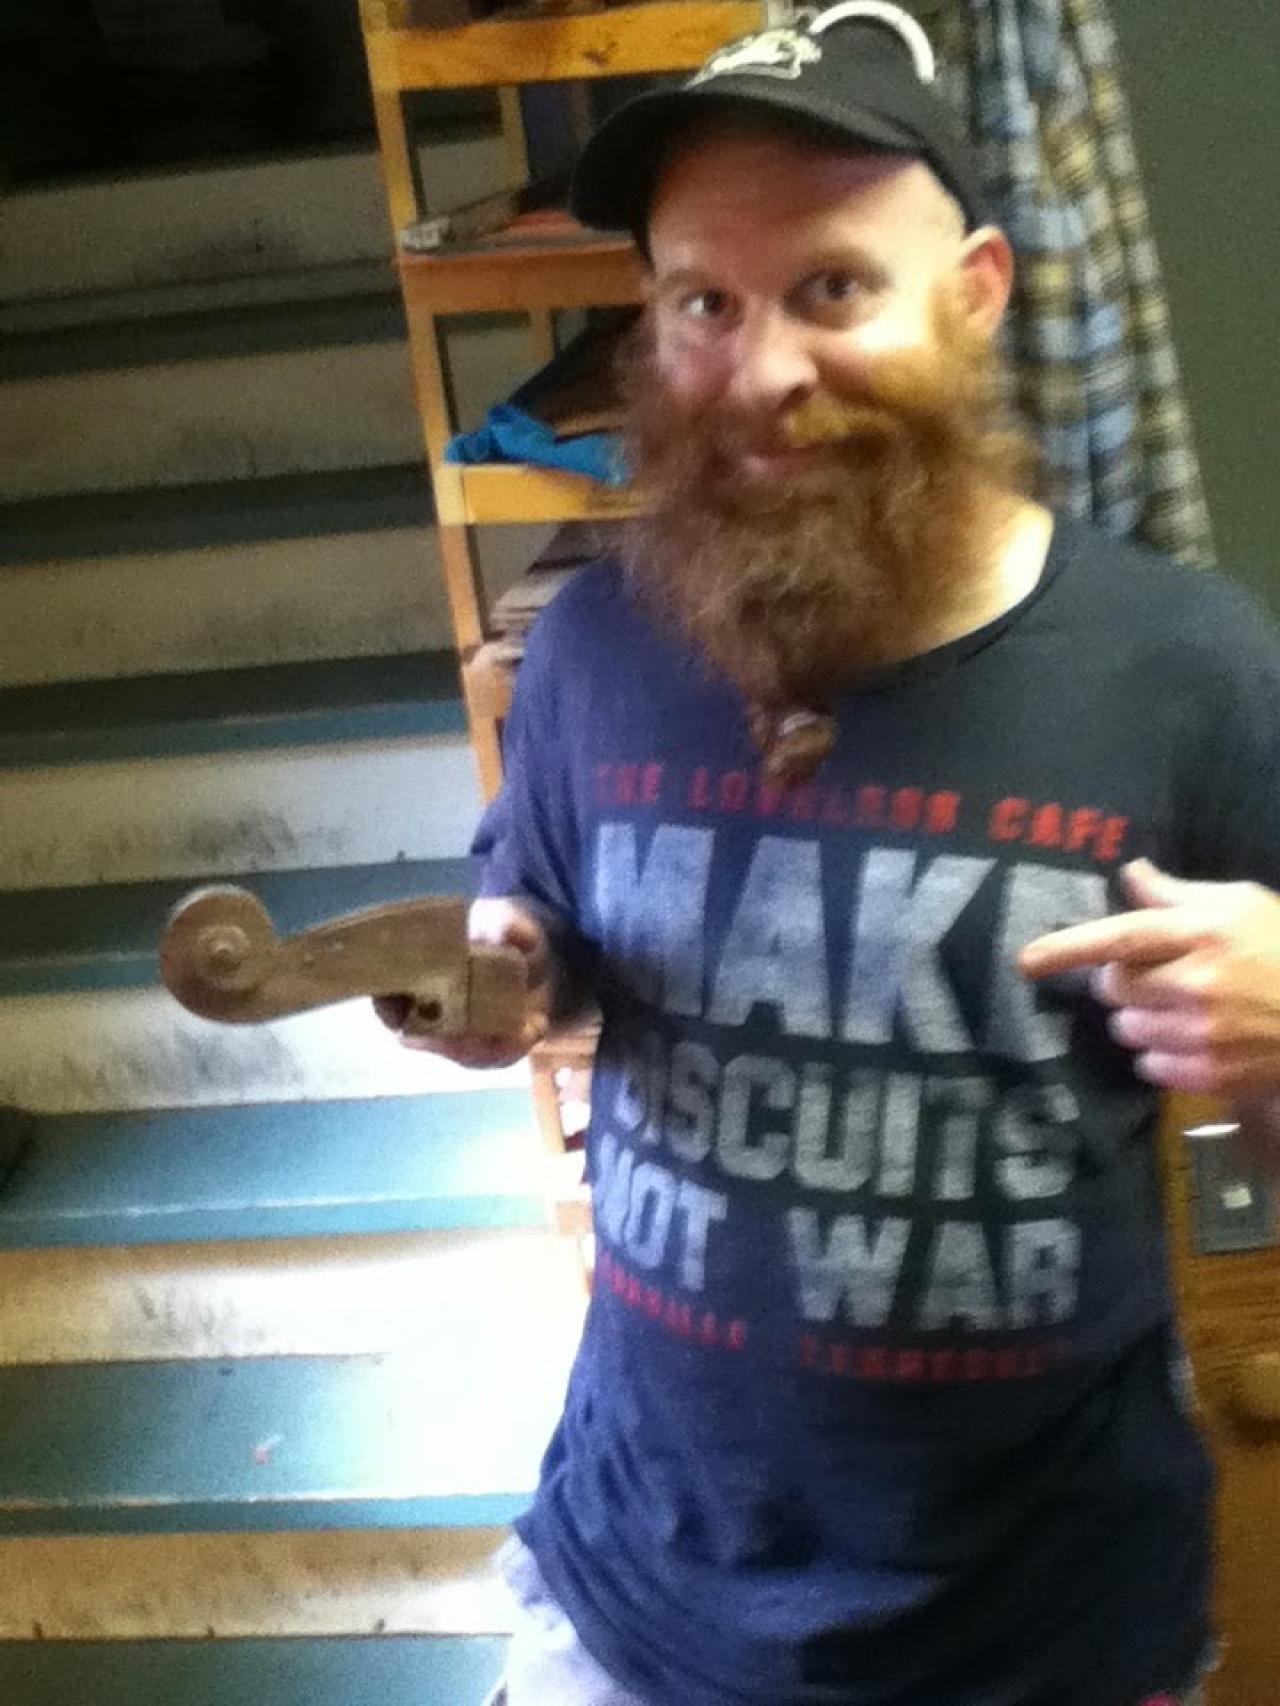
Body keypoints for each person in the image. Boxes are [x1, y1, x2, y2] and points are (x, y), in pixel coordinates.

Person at [378, 5, 1280, 1702]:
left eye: (835, 289)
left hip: (1041, 1638)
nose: (764, 368)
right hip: (634, 1604)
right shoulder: (596, 648)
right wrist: (503, 978)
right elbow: (544, 932)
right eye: (705, 303)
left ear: (977, 292)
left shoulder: (1192, 670)